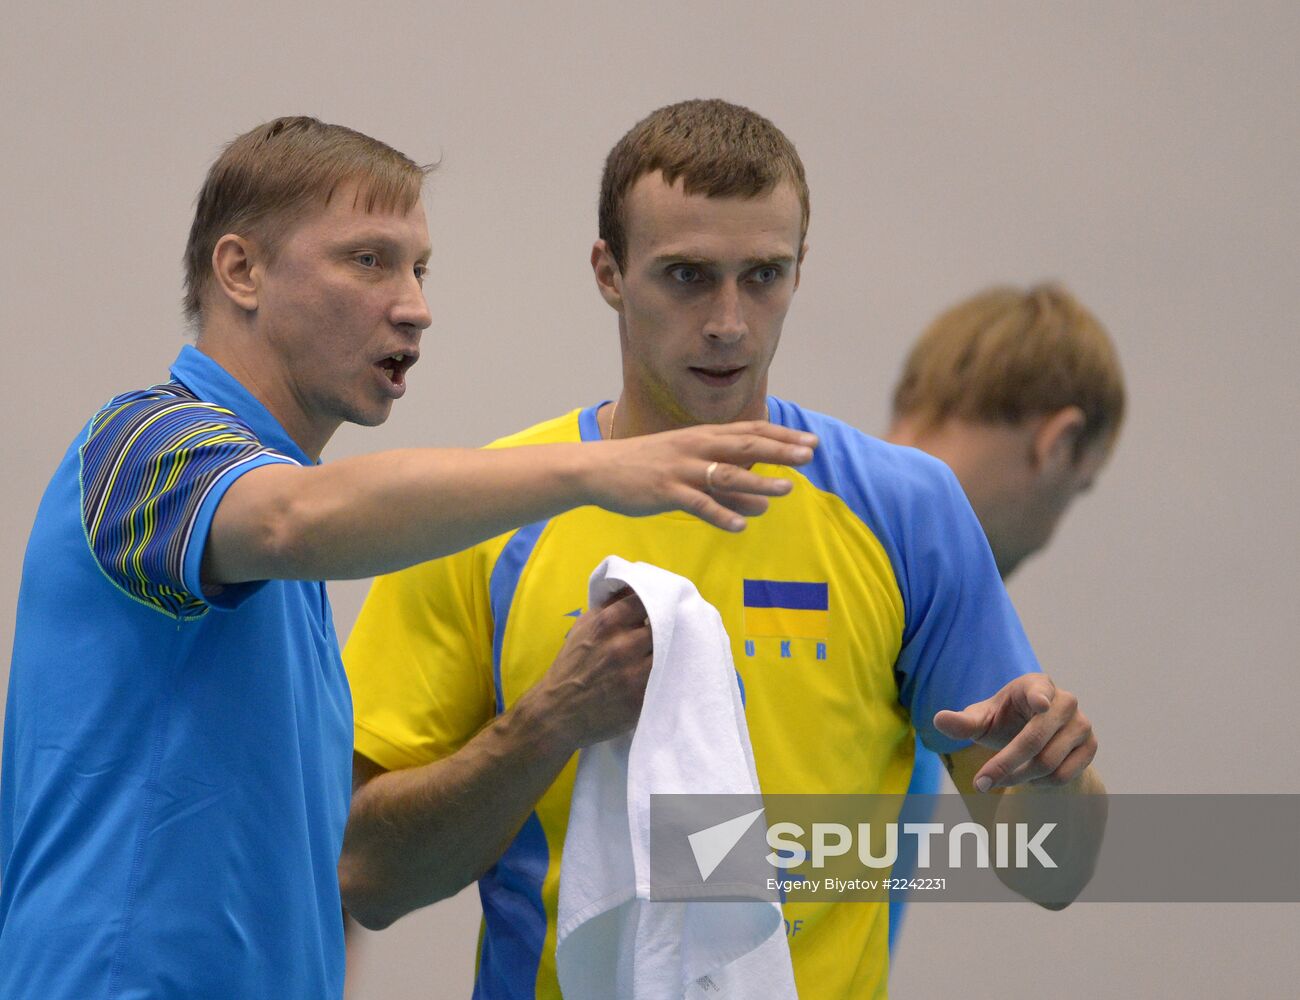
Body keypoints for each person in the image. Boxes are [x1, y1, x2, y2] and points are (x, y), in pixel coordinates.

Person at [0, 115, 819, 1000]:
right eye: (368, 260)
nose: (415, 305)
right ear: (240, 271)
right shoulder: (146, 442)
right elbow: (292, 520)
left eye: (419, 268)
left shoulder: (280, 537)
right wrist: (595, 465)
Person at [340, 100, 1105, 999]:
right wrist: (546, 724)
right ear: (609, 272)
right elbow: (367, 877)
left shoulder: (904, 511)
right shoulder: (488, 510)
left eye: (764, 276)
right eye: (688, 276)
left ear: (799, 269)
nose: (730, 322)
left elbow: (1050, 871)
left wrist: (1062, 781)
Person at [884, 283, 1125, 950]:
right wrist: (1059, 757)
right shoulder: (928, 579)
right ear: (1059, 442)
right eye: (1076, 493)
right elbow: (1050, 868)